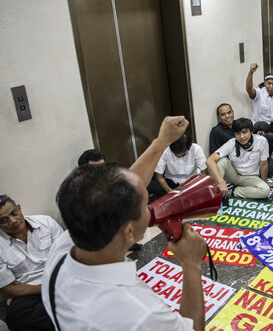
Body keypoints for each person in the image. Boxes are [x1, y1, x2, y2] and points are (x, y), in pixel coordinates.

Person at [42, 116, 208, 330]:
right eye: (144, 203)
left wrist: (161, 141)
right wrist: (192, 264)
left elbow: (123, 185)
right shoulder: (139, 313)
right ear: (129, 231)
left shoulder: (62, 250)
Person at [0, 195, 63, 330]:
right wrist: (44, 288)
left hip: (59, 281)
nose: (13, 221)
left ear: (19, 208)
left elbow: (67, 257)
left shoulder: (46, 222)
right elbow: (9, 290)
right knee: (16, 316)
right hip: (29, 294)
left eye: (13, 213)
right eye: (3, 220)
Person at [206, 118, 273, 200]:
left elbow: (263, 164)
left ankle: (233, 191)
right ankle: (216, 190)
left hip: (251, 177)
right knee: (222, 161)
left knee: (265, 190)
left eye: (244, 132)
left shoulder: (261, 141)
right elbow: (209, 160)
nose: (242, 137)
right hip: (233, 174)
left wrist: (264, 182)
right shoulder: (231, 143)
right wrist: (221, 182)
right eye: (238, 133)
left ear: (251, 131)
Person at [208, 103, 273, 164]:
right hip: (238, 161)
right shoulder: (216, 131)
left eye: (229, 113)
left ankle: (265, 162)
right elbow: (215, 154)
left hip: (252, 153)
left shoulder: (238, 123)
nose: (227, 116)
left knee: (270, 136)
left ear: (233, 112)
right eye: (223, 114)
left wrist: (255, 136)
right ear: (218, 116)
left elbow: (247, 137)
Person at [148, 132, 207, 198]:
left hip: (191, 181)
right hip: (171, 181)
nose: (178, 155)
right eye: (175, 153)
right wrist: (171, 193)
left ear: (188, 147)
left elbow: (204, 172)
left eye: (182, 153)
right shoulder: (165, 150)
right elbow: (159, 177)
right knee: (150, 186)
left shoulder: (196, 149)